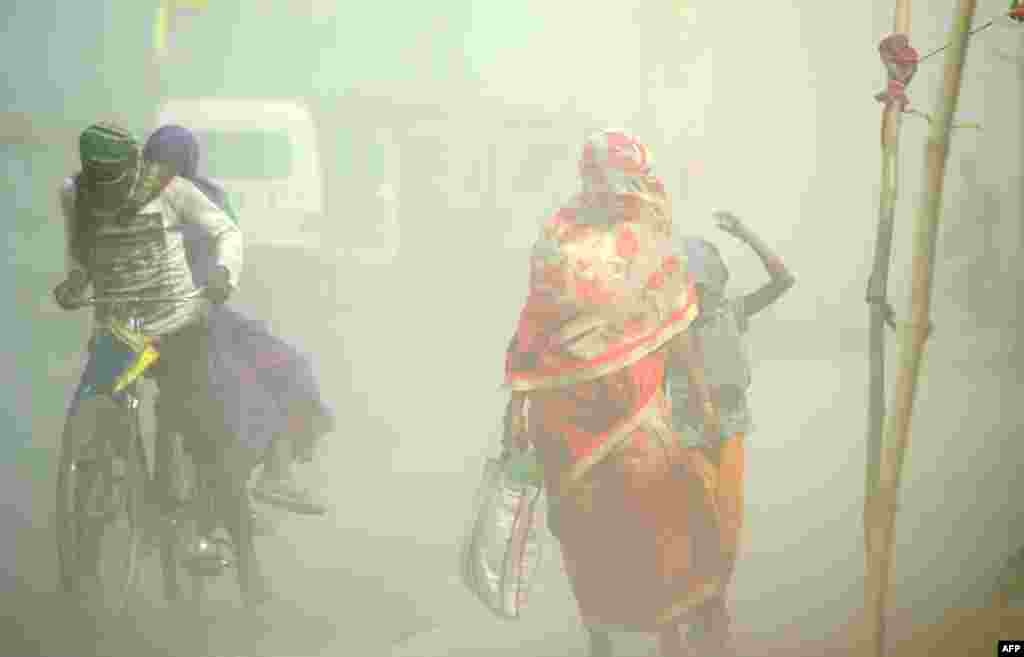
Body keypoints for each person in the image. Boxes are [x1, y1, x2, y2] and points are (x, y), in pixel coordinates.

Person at [502, 130, 729, 657]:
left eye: (627, 182)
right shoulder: (558, 238)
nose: (618, 191)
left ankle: (671, 635)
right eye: (608, 181)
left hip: (639, 404)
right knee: (584, 534)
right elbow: (535, 323)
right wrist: (517, 405)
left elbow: (675, 327)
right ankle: (599, 638)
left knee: (671, 515)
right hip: (567, 410)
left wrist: (702, 398)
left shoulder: (650, 238)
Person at [53, 121, 254, 574]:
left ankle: (201, 528)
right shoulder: (75, 195)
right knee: (95, 408)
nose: (106, 190)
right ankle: (90, 506)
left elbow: (227, 232)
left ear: (134, 165)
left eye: (115, 178)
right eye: (97, 180)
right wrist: (77, 281)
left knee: (193, 416)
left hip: (174, 324)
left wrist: (223, 275)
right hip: (123, 330)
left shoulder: (171, 189)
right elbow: (82, 247)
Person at [142, 125, 333, 517]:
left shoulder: (191, 199)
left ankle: (269, 474)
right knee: (250, 383)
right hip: (177, 324)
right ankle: (256, 479)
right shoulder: (169, 200)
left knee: (281, 365)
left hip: (194, 317)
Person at [664, 211, 795, 650]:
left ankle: (711, 609)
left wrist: (746, 234)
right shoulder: (670, 329)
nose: (698, 292)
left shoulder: (730, 312)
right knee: (697, 518)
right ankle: (687, 608)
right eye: (692, 284)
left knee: (728, 523)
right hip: (687, 430)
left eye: (703, 284)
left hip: (732, 424)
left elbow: (782, 279)